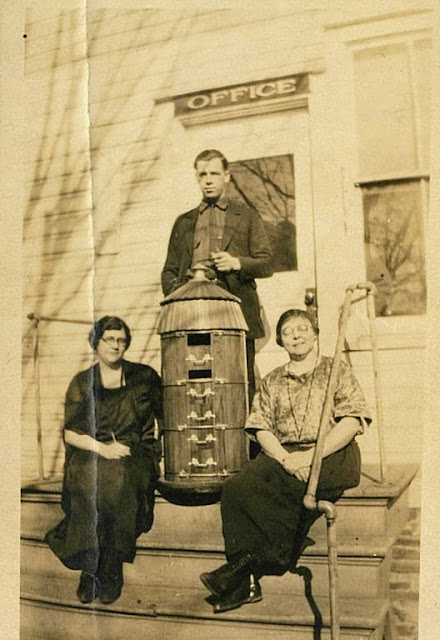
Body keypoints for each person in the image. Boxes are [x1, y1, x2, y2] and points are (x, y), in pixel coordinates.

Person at [199, 308, 370, 613]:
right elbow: (261, 427)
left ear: (316, 335)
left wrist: (309, 457)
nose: (296, 335)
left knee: (288, 487)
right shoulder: (274, 380)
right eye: (288, 331)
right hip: (286, 454)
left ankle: (251, 567)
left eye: (303, 328)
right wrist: (283, 457)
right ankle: (246, 575)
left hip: (332, 453)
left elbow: (352, 422)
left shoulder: (335, 370)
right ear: (280, 340)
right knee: (239, 487)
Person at [45, 316, 163, 605]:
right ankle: (89, 567)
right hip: (93, 450)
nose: (116, 345)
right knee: (90, 477)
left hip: (135, 451)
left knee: (119, 477)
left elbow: (167, 417)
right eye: (109, 339)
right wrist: (102, 448)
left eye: (121, 340)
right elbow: (71, 433)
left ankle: (110, 565)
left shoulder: (144, 376)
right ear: (96, 343)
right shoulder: (82, 381)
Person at [161, 149, 273, 441]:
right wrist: (180, 297)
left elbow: (266, 262)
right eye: (202, 174)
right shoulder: (183, 222)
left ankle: (244, 454)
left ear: (227, 176)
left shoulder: (246, 216)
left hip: (234, 315)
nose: (208, 180)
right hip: (191, 318)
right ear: (197, 178)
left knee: (238, 385)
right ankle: (201, 448)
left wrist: (237, 263)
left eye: (214, 173)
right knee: (196, 382)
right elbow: (169, 272)